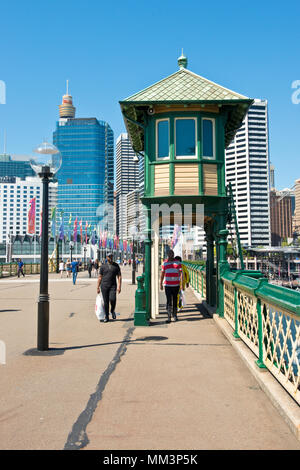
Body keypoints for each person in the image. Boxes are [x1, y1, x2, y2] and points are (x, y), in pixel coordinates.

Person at [97, 253, 122, 323]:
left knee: (113, 299)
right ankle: (107, 316)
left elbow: (119, 276)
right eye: (109, 257)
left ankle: (112, 310)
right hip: (104, 286)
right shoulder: (103, 266)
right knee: (106, 302)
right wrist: (97, 287)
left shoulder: (116, 266)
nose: (110, 258)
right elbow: (100, 277)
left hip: (113, 286)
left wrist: (119, 286)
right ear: (106, 257)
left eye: (111, 256)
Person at [160, 249, 182, 323]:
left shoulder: (178, 263)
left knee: (175, 300)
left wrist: (181, 283)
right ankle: (169, 316)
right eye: (169, 254)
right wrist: (160, 283)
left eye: (172, 254)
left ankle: (175, 315)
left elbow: (180, 273)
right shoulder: (164, 263)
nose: (171, 255)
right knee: (169, 301)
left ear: (173, 254)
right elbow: (162, 274)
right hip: (167, 285)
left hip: (176, 285)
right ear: (167, 255)